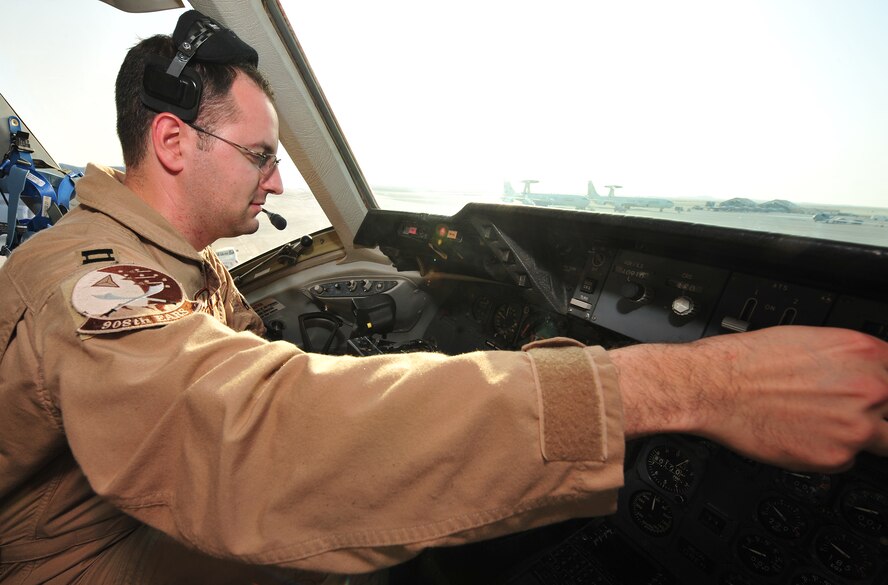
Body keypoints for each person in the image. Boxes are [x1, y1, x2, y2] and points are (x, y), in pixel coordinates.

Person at [1, 10, 886, 585]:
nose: (275, 182)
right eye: (264, 154)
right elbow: (252, 438)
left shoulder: (179, 262)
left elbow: (250, 374)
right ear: (173, 142)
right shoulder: (88, 281)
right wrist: (693, 385)